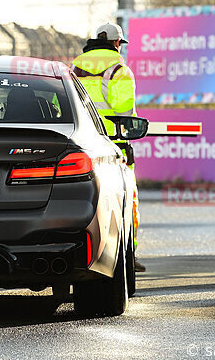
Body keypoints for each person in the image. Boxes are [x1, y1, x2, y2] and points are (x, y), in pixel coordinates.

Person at [71, 22, 145, 272]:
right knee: (126, 200)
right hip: (112, 146)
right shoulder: (119, 69)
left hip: (81, 143)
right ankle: (127, 256)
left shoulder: (76, 65)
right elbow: (126, 114)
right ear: (116, 43)